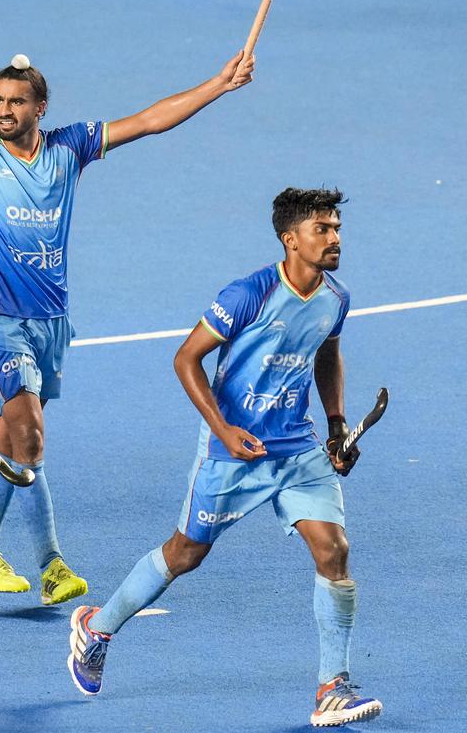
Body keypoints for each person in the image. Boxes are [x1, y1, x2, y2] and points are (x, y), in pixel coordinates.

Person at [0, 34, 254, 606]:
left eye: (16, 102)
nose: (4, 111)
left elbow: (150, 120)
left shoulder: (70, 148)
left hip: (51, 322)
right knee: (29, 433)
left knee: (10, 436)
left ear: (40, 108)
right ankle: (52, 563)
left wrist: (218, 85)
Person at [68, 188, 382, 729]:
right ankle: (96, 627)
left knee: (334, 551)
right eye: (322, 229)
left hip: (296, 448)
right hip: (232, 453)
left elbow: (326, 353)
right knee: (185, 554)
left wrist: (335, 425)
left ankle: (334, 686)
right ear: (290, 239)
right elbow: (186, 358)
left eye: (336, 228)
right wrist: (224, 429)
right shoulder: (248, 295)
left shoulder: (336, 297)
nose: (335, 239)